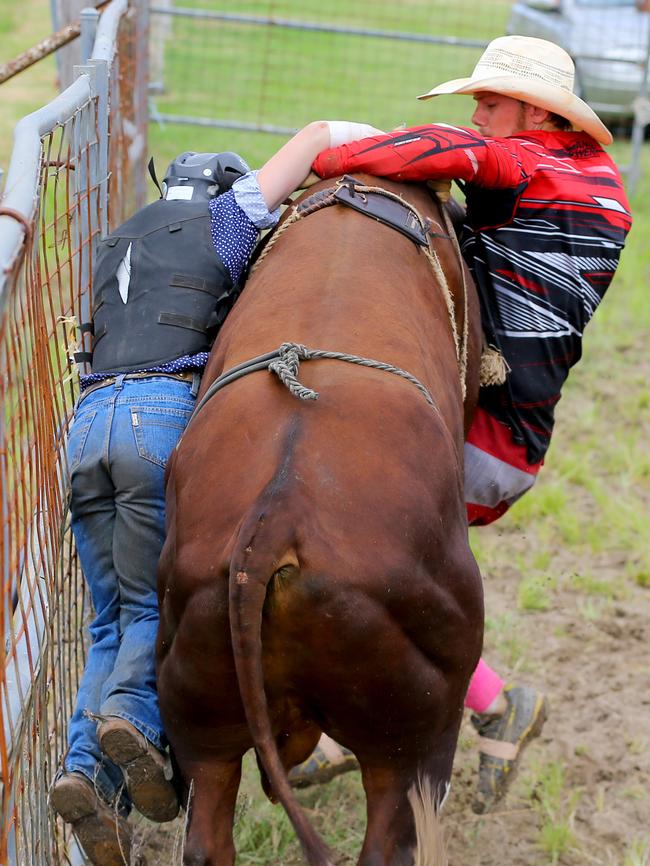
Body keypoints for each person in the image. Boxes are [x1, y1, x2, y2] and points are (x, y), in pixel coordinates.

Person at [283, 35, 632, 814]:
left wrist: (326, 151)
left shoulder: (528, 163)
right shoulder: (597, 179)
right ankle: (470, 707)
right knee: (380, 559)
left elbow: (432, 152)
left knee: (364, 554)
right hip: (516, 435)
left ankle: (453, 707)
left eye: (490, 102)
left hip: (487, 442)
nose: (478, 117)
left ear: (536, 113)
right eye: (477, 103)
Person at [49, 121, 382, 866]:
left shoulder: (115, 244)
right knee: (148, 606)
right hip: (158, 417)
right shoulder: (224, 221)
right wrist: (385, 143)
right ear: (223, 189)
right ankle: (133, 721)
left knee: (105, 618)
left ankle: (85, 773)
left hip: (86, 424)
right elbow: (315, 137)